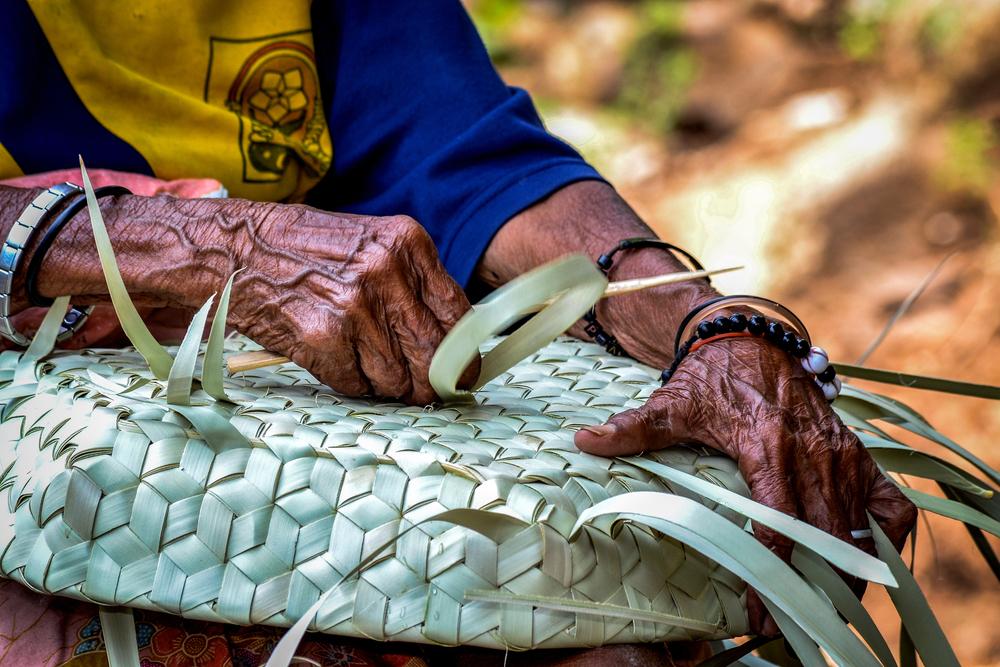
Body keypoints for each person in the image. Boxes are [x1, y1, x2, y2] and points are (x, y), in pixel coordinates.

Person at [0, 1, 915, 665]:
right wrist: (192, 244)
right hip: (42, 464)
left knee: (606, 625)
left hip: (290, 421)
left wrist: (708, 323)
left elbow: (460, 149)